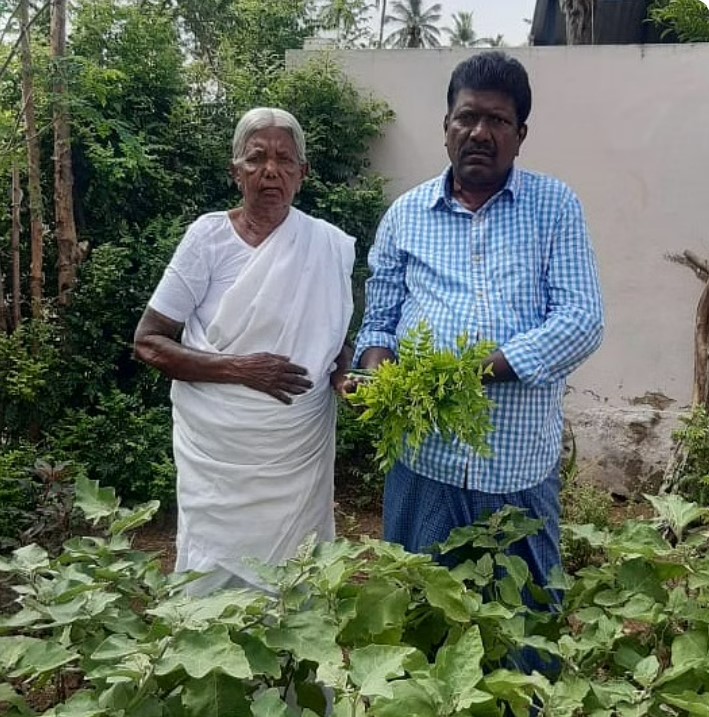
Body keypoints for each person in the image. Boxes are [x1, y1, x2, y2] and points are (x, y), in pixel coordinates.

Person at [353, 52, 604, 596]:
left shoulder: (554, 207)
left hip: (516, 473)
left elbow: (582, 320)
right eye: (467, 117)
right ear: (446, 128)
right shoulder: (405, 215)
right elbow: (379, 322)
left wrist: (478, 372)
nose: (479, 132)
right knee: (418, 619)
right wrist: (379, 373)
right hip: (423, 467)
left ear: (520, 134)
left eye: (497, 120)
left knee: (527, 636)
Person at [134, 107, 356, 595]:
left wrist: (342, 372)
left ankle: (288, 670)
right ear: (237, 172)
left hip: (296, 452)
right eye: (256, 159)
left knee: (294, 580)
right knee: (210, 575)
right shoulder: (207, 238)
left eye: (283, 159)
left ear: (303, 173)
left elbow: (333, 338)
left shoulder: (326, 246)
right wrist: (241, 369)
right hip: (219, 454)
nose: (270, 171)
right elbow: (149, 341)